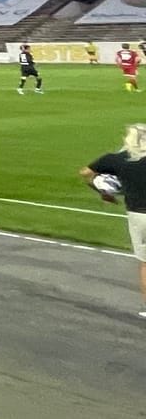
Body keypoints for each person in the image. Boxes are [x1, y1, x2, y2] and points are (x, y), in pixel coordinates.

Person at [82, 124, 146, 317]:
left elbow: (86, 173)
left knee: (145, 263)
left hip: (139, 215)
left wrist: (103, 191)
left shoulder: (116, 159)